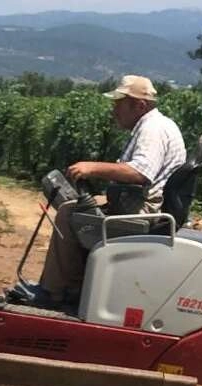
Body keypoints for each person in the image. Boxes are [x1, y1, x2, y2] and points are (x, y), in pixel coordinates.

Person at [34, 75, 186, 306]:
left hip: (143, 210)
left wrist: (92, 168)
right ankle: (75, 283)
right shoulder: (156, 125)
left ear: (140, 105)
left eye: (119, 103)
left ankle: (59, 291)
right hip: (141, 202)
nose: (114, 109)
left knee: (68, 213)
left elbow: (140, 173)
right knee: (82, 204)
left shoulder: (152, 129)